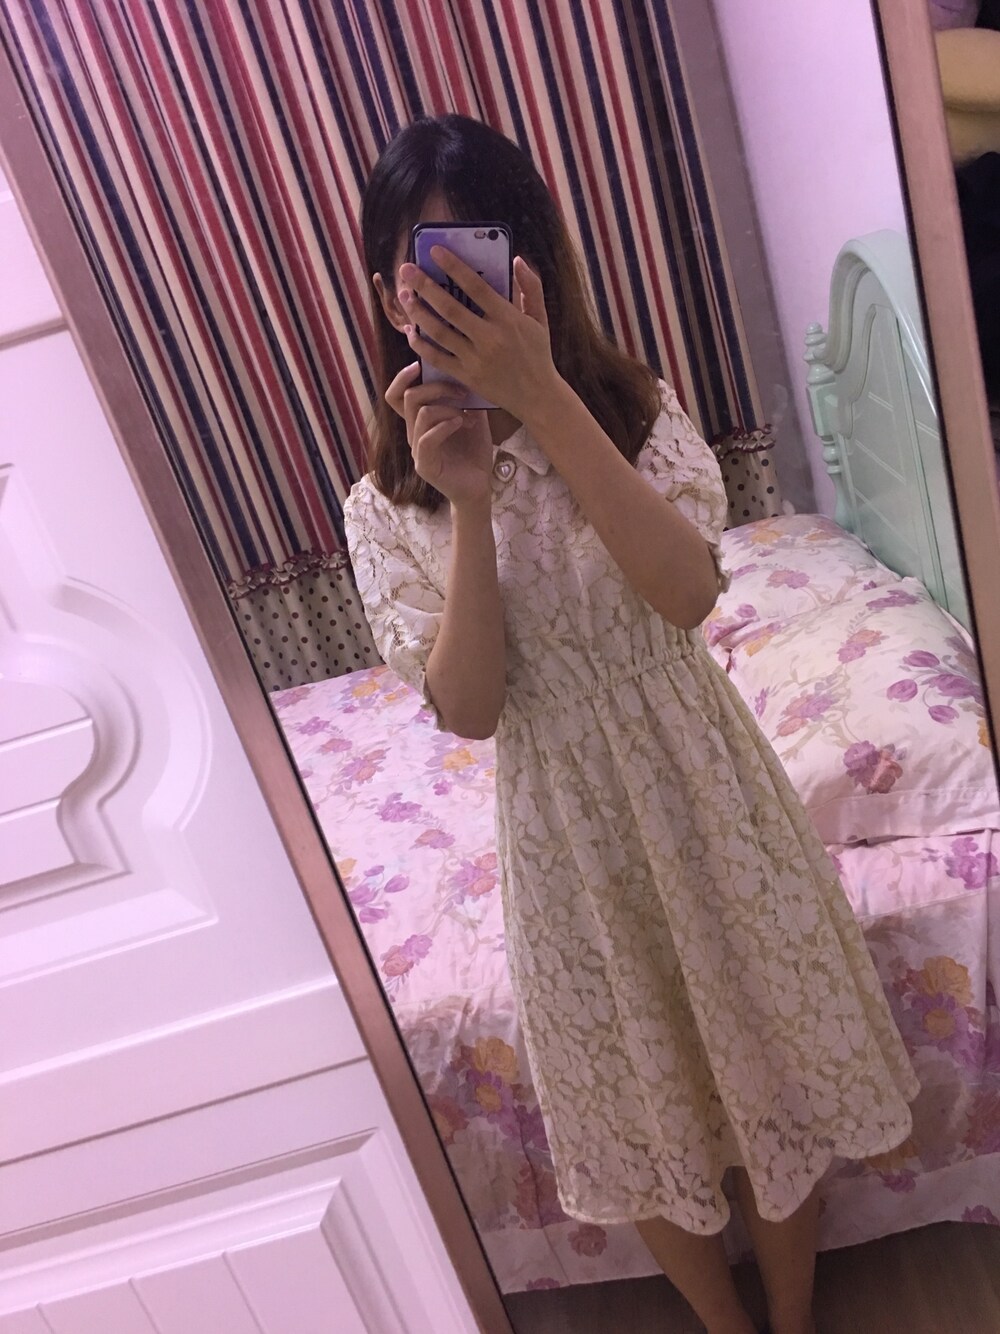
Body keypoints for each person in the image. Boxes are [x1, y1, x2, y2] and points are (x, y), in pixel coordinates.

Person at [345, 114, 918, 1334]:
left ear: (533, 263)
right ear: (389, 294)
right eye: (427, 270)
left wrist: (543, 399)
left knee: (772, 1062)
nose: (457, 296)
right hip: (562, 824)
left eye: (481, 258)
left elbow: (687, 594)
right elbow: (471, 706)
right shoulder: (388, 503)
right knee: (638, 1100)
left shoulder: (632, 410)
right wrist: (466, 496)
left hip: (702, 779)